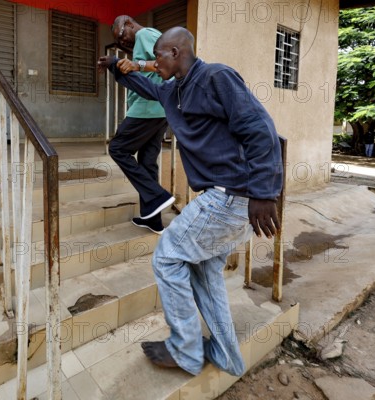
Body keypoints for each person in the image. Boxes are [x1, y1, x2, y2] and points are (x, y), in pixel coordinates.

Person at [98, 27, 283, 377]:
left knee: (168, 257)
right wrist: (115, 65)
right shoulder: (174, 89)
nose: (154, 62)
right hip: (225, 197)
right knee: (204, 271)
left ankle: (184, 349)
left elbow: (260, 129)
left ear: (176, 52)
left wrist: (264, 191)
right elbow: (146, 85)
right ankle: (227, 354)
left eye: (159, 56)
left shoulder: (216, 77)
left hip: (232, 196)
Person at [107, 15, 174, 235]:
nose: (122, 41)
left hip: (146, 110)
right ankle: (153, 219)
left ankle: (158, 196)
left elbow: (165, 63)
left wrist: (137, 65)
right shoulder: (146, 39)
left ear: (128, 23)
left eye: (121, 35)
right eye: (119, 41)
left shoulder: (144, 34)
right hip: (159, 111)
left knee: (117, 148)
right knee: (147, 162)